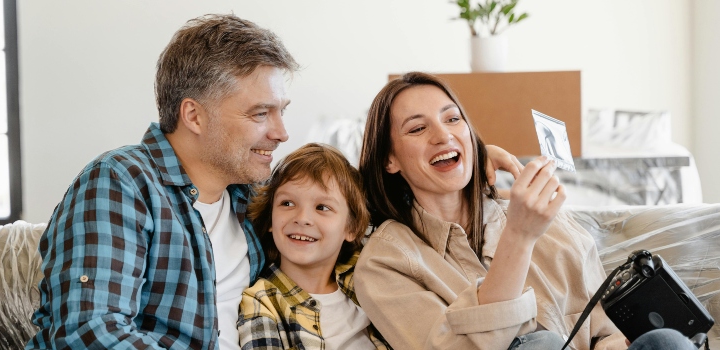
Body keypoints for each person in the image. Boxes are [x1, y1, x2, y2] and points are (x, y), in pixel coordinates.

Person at [25, 13, 521, 350]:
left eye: (281, 111)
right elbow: (90, 332)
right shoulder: (122, 184)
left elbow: (344, 204)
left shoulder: (255, 198)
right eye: (260, 113)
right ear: (193, 115)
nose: (281, 133)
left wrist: (465, 166)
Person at [353, 72, 698, 350]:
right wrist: (518, 237)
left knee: (665, 341)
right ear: (389, 159)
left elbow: (604, 330)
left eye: (453, 119)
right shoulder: (385, 263)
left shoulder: (547, 220)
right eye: (417, 128)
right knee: (539, 344)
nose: (443, 135)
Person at [237, 143, 389, 349]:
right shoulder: (261, 302)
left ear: (351, 228)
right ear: (270, 219)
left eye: (322, 207)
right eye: (287, 203)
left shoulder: (366, 273)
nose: (302, 218)